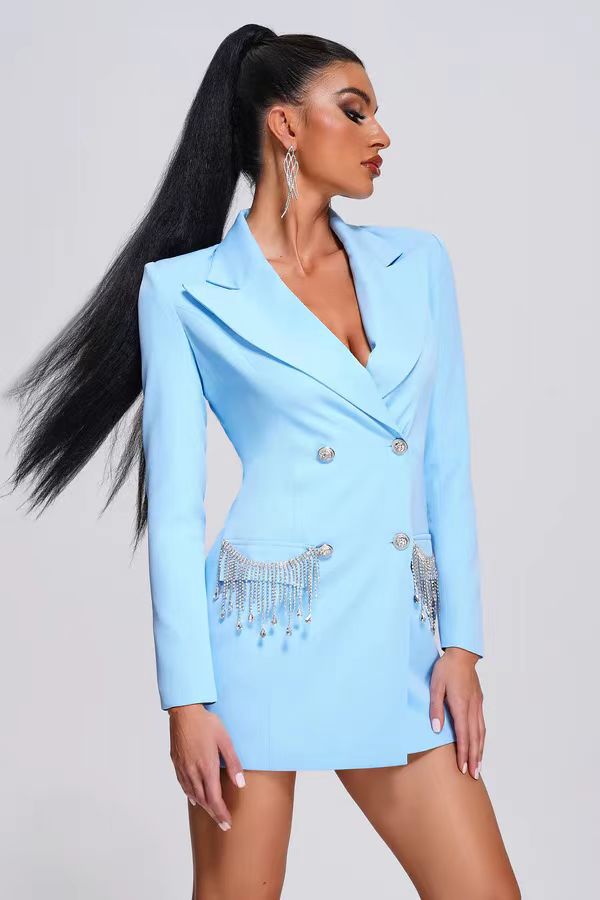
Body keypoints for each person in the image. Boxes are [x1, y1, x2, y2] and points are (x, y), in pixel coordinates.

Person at [4, 23, 521, 900]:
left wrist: (462, 646)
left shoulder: (417, 263)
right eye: (353, 111)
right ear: (285, 124)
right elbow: (176, 514)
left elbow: (445, 467)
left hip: (398, 642)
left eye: (375, 114)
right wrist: (187, 701)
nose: (381, 134)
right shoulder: (184, 291)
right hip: (262, 637)